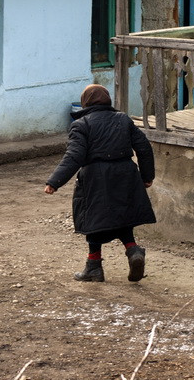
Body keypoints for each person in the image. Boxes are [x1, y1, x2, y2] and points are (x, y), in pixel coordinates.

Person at [44, 84, 156, 283]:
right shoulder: (122, 119)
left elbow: (74, 156)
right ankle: (133, 250)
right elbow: (144, 147)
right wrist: (147, 176)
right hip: (125, 173)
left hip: (96, 177)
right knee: (122, 215)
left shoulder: (81, 124)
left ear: (86, 102)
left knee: (94, 221)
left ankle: (94, 267)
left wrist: (55, 181)